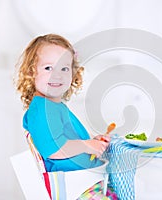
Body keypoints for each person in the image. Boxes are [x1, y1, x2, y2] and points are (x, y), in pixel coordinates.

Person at [15, 34, 116, 199]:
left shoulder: (54, 107)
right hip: (74, 187)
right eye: (48, 68)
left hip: (85, 181)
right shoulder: (42, 109)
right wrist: (87, 146)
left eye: (64, 68)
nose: (57, 75)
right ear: (31, 72)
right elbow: (54, 148)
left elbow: (69, 140)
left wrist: (93, 142)